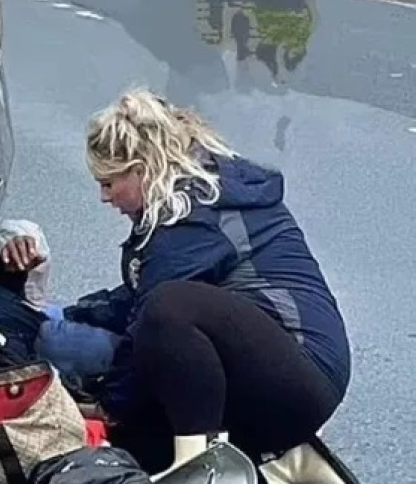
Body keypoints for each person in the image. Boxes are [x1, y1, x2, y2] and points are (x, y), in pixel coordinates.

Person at [54, 89, 351, 477]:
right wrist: (72, 314)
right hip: (278, 369)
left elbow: (152, 314)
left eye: (109, 183)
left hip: (301, 374)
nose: (103, 197)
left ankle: (201, 471)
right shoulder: (194, 200)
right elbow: (136, 299)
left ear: (141, 170)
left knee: (169, 309)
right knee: (135, 446)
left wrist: (109, 407)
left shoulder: (192, 216)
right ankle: (266, 466)